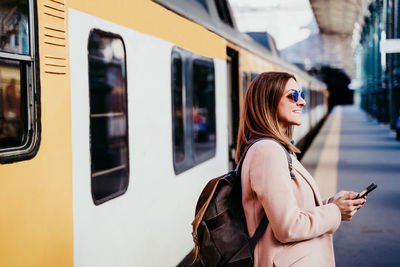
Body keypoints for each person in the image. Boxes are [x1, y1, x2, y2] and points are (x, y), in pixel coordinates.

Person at [235, 72, 366, 267]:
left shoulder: (274, 147)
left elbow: (286, 210)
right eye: (292, 96)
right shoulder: (267, 152)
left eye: (301, 95)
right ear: (268, 101)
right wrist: (335, 212)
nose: (302, 102)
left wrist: (331, 203)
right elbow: (288, 227)